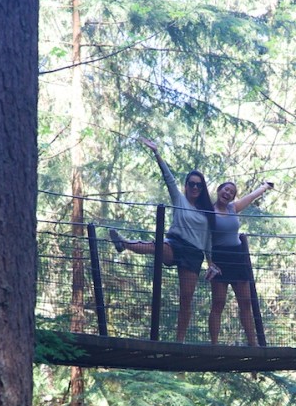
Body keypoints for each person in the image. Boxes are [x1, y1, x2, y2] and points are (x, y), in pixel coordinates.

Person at [109, 137, 220, 341]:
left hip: (194, 255)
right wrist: (157, 153)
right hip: (175, 244)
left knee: (186, 299)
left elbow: (208, 241)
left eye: (199, 185)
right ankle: (123, 243)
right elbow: (168, 177)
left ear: (202, 189)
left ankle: (180, 341)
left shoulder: (206, 212)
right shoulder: (179, 199)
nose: (195, 188)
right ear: (186, 186)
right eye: (191, 184)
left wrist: (210, 262)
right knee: (155, 246)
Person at [208, 179, 274, 346]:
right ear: (219, 190)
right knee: (218, 303)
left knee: (245, 302)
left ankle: (253, 344)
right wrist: (208, 261)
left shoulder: (233, 208)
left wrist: (265, 186)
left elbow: (251, 197)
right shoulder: (209, 212)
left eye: (232, 192)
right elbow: (203, 238)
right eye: (226, 189)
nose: (228, 193)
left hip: (237, 257)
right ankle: (214, 345)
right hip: (219, 259)